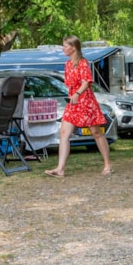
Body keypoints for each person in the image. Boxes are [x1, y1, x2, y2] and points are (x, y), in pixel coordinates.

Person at [45, 35, 113, 177]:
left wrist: (77, 93)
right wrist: (72, 95)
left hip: (86, 101)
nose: (63, 49)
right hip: (73, 102)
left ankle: (107, 164)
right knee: (64, 133)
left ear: (74, 48)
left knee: (96, 132)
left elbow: (86, 82)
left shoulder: (83, 63)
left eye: (65, 46)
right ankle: (60, 168)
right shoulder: (67, 64)